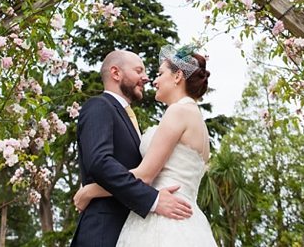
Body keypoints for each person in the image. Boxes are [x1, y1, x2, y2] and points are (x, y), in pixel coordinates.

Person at [73, 45, 218, 247]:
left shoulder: (177, 112)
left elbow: (145, 175)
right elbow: (101, 162)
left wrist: (90, 191)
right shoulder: (195, 119)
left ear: (177, 77)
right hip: (183, 221)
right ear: (115, 73)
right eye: (139, 71)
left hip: (164, 221)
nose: (152, 80)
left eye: (159, 74)